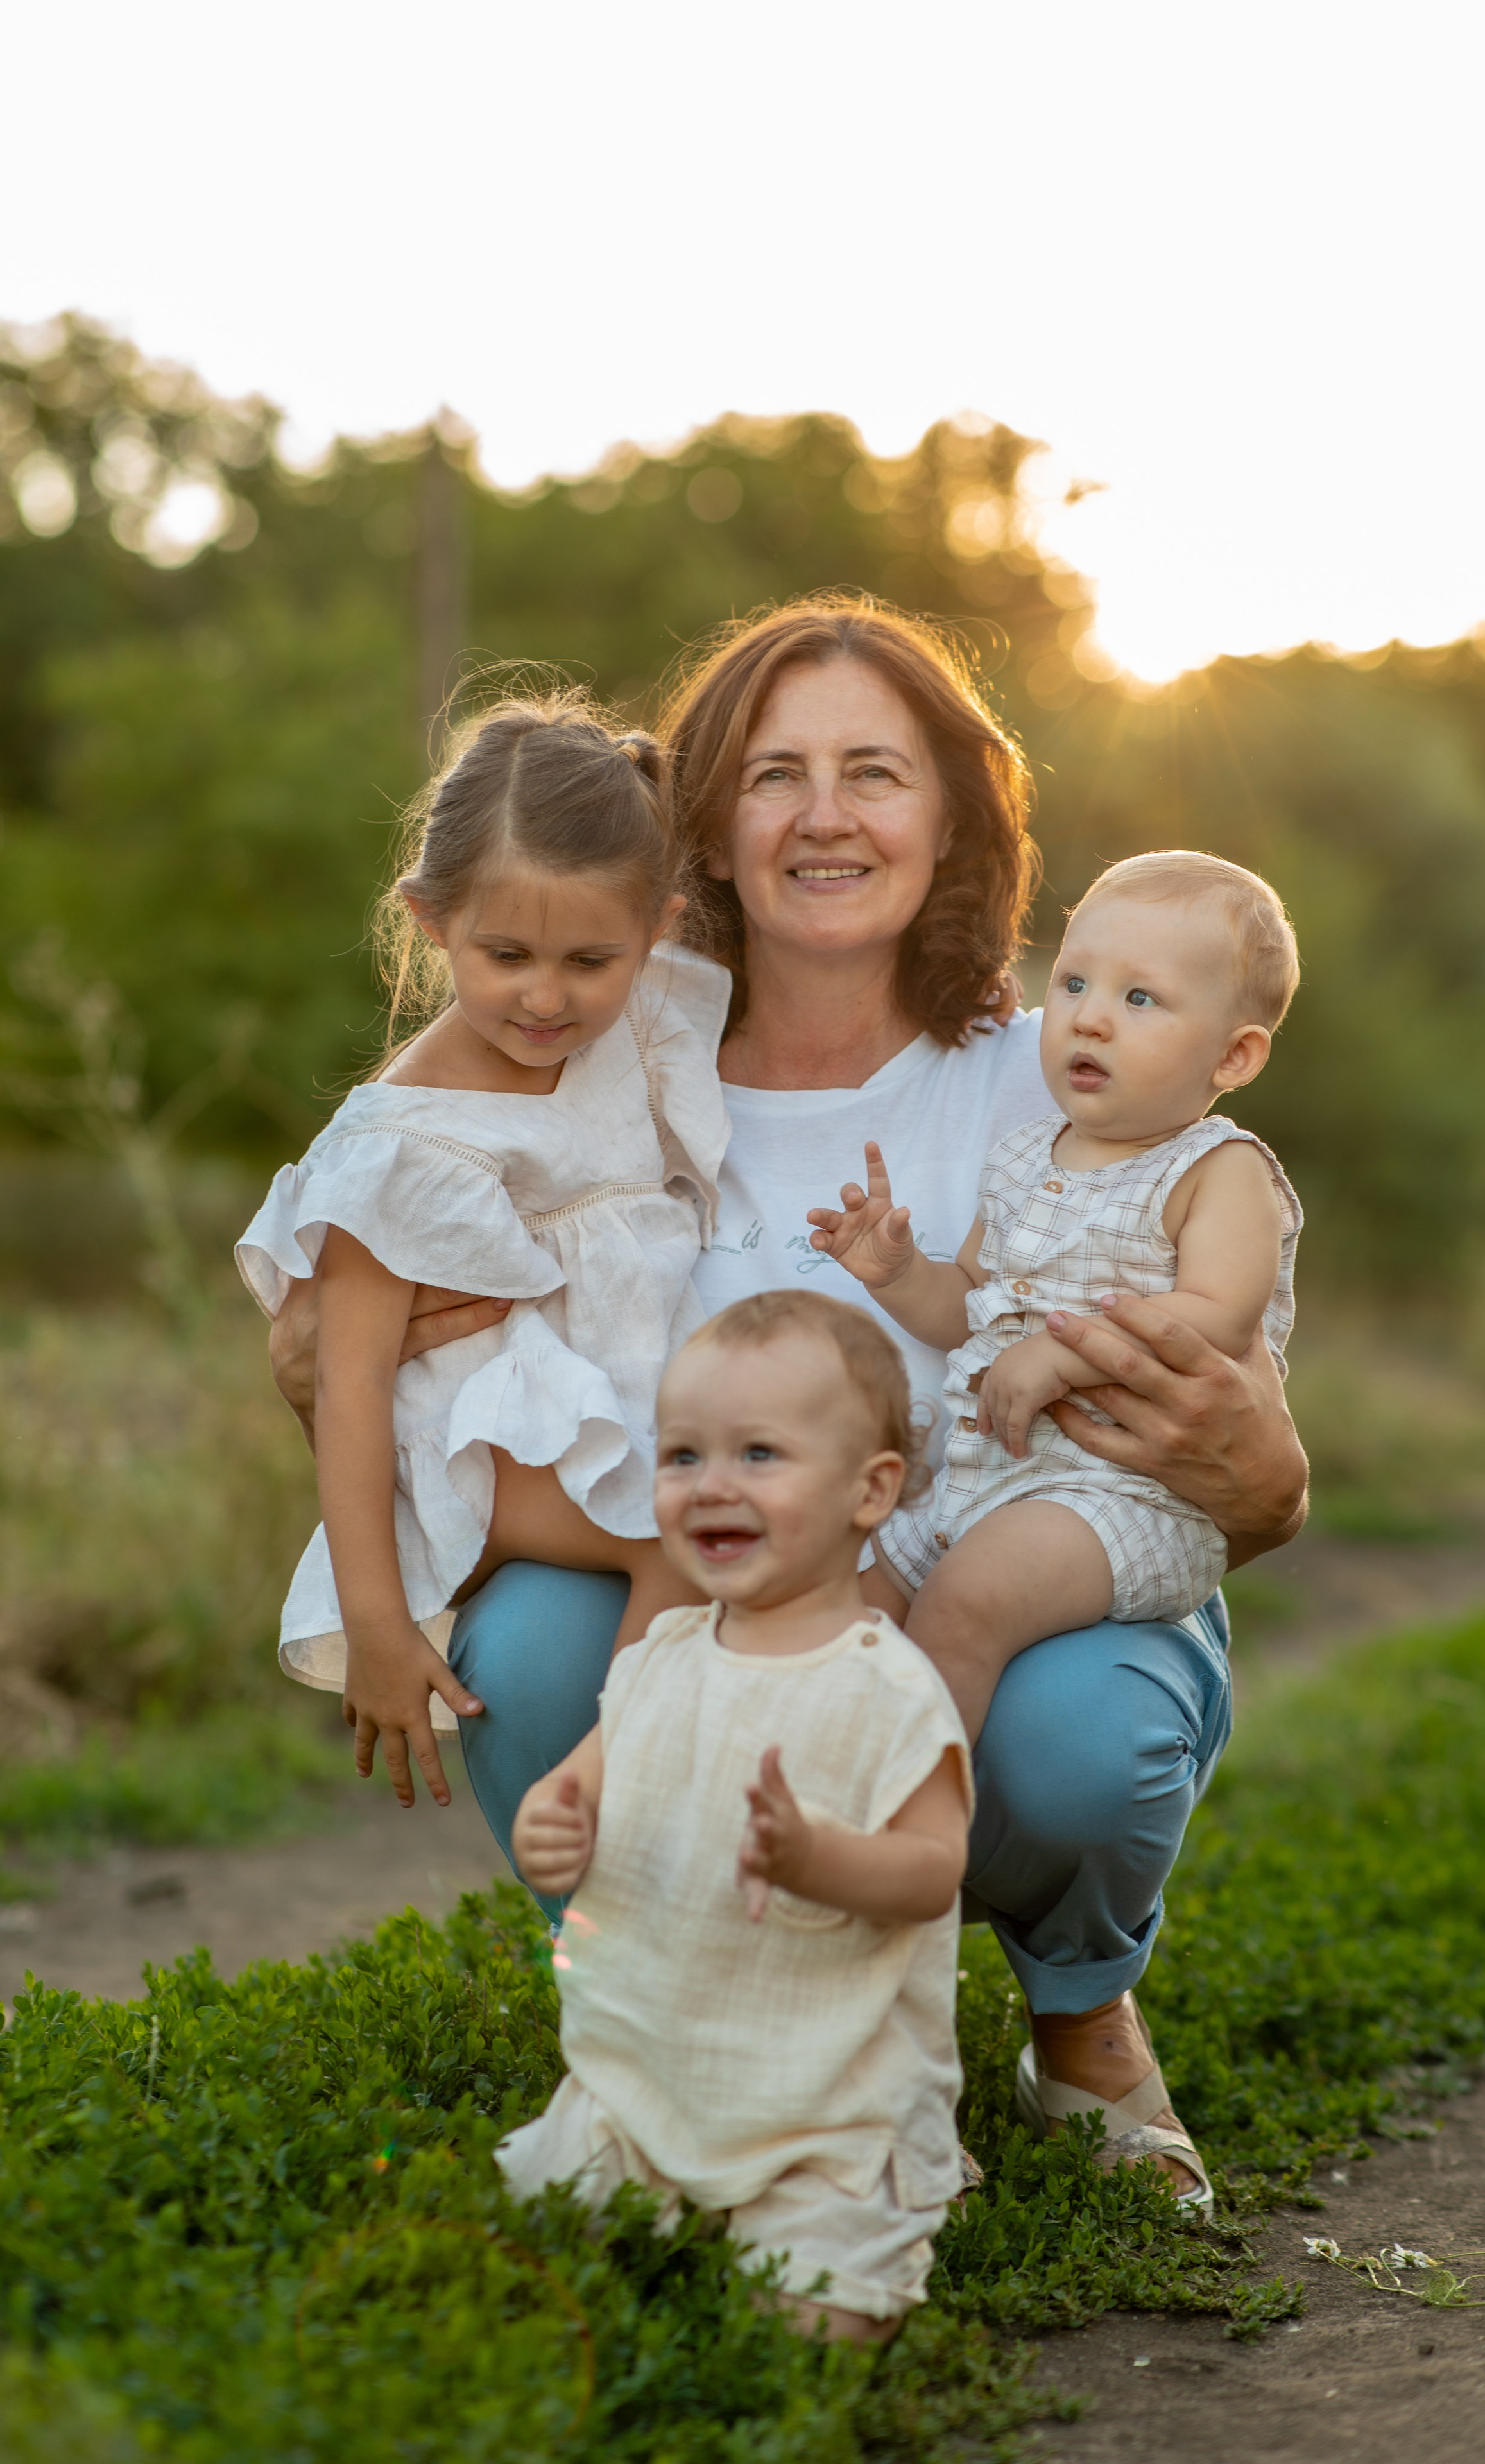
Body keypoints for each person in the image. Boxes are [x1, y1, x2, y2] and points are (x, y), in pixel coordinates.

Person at [269, 598, 1309, 2207]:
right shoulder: (612, 1033)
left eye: (874, 772)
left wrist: (1267, 1473)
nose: (825, 815)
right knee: (542, 1642)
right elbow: (410, 1165)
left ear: (950, 811)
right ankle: (650, 2001)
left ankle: (1080, 2014)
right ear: (702, 824)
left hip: (991, 1553)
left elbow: (1245, 1419)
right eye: (775, 775)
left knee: (1079, 1739)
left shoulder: (1066, 1063)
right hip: (717, 1572)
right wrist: (328, 1315)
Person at [239, 696, 729, 1808]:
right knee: (688, 1538)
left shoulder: (638, 1027)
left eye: (589, 960)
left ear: (656, 933)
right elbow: (352, 1380)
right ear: (429, 920)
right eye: (504, 954)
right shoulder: (405, 1144)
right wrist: (375, 1623)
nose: (546, 996)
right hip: (477, 1445)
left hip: (607, 1411)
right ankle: (618, 1795)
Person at [495, 1290, 972, 2343]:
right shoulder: (663, 1654)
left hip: (829, 2098)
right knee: (534, 2248)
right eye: (682, 1456)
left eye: (760, 1455)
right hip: (646, 2071)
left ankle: (837, 2222)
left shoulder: (888, 1688)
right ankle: (650, 2171)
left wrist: (818, 1858)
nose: (712, 1485)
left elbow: (934, 1871)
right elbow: (579, 1782)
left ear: (871, 1490)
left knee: (808, 2327)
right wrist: (551, 1824)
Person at [811, 850, 1303, 1759]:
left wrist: (1068, 1353)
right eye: (1075, 982)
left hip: (1123, 1497)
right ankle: (810, 1819)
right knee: (855, 1602)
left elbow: (1222, 1317)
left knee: (966, 1604)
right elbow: (971, 1308)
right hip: (979, 1477)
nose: (1091, 1018)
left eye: (1140, 1000)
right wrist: (897, 1272)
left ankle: (906, 1834)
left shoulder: (1218, 1170)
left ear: (1234, 1054)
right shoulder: (1025, 1153)